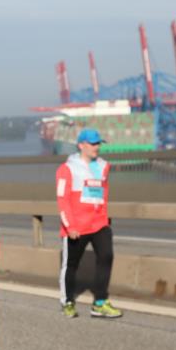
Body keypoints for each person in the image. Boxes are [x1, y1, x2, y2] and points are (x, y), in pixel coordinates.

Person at [56, 128, 122, 318]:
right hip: (76, 226)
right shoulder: (67, 168)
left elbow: (103, 194)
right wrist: (70, 226)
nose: (97, 147)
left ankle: (100, 302)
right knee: (71, 265)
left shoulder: (103, 166)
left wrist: (105, 218)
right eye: (93, 143)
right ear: (81, 145)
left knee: (106, 256)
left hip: (99, 224)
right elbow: (63, 199)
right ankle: (67, 301)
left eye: (99, 143)